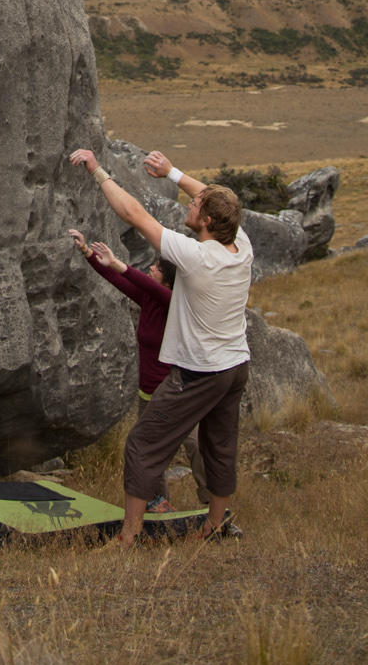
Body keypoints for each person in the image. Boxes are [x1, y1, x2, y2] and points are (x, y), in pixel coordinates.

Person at [68, 146, 253, 546]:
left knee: (142, 444)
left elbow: (134, 213)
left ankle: (129, 536)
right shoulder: (240, 244)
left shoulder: (197, 257)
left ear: (205, 221)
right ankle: (215, 524)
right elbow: (220, 202)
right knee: (219, 444)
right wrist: (172, 173)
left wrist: (98, 171)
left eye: (195, 203)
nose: (191, 200)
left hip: (200, 371)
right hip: (235, 364)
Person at [67, 230, 209, 510]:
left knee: (196, 447)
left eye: (156, 267)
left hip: (176, 393)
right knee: (147, 452)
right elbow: (115, 279)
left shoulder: (175, 304)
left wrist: (120, 263)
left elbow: (144, 283)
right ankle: (159, 503)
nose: (150, 268)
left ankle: (212, 504)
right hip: (148, 395)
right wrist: (87, 253)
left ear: (168, 278)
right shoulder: (149, 301)